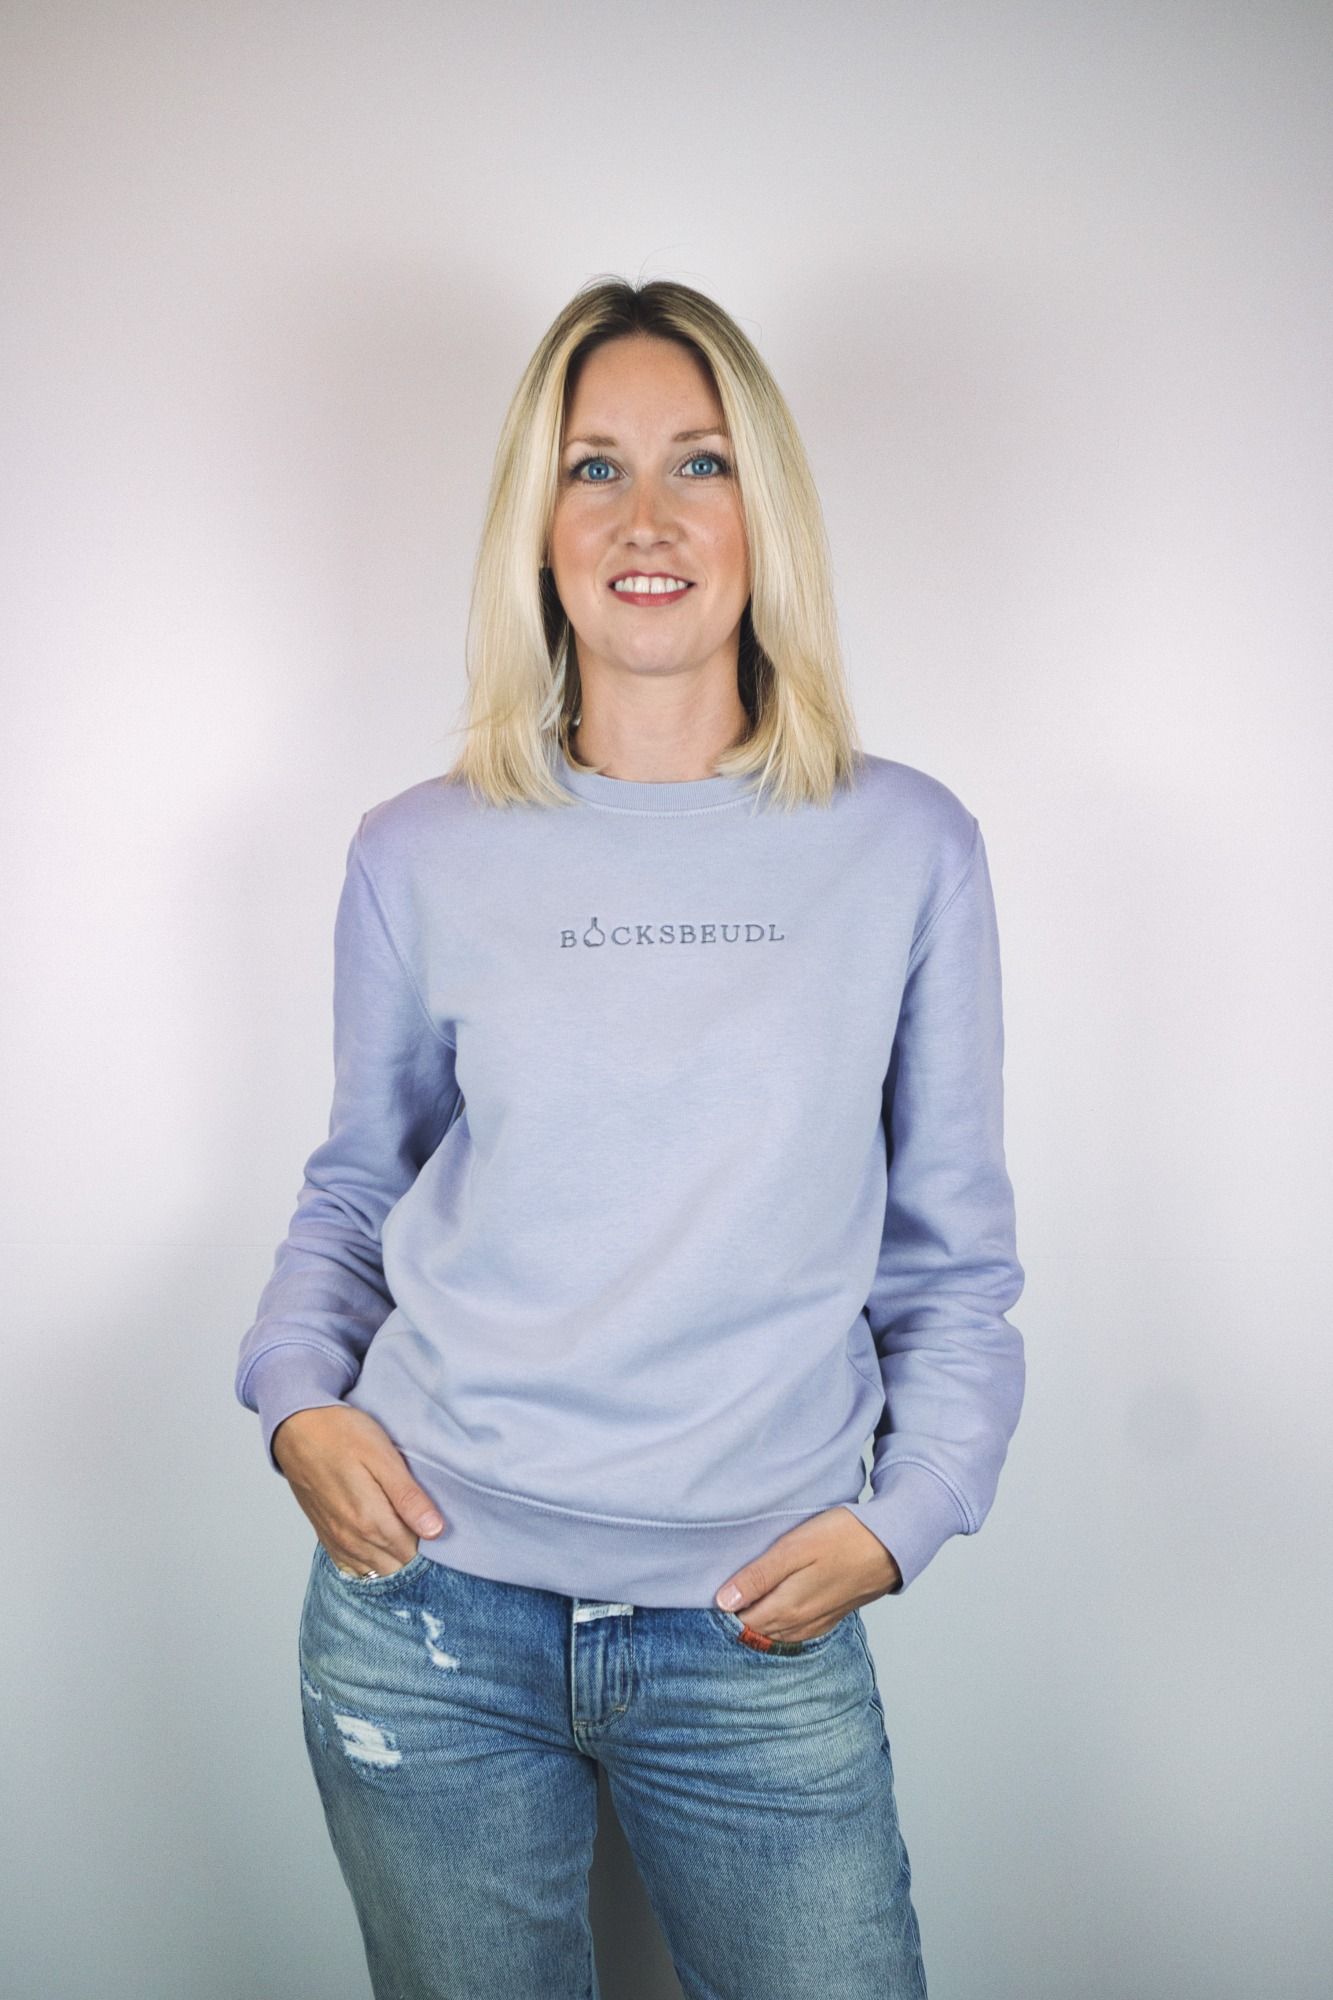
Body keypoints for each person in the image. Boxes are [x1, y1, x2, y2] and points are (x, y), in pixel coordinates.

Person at [234, 276, 1025, 2000]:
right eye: (593, 467)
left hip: (752, 1623)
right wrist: (296, 1400)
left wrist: (913, 1512)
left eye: (699, 462)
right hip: (426, 1615)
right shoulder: (417, 852)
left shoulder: (904, 846)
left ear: (764, 515)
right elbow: (358, 1190)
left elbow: (951, 1256)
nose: (645, 516)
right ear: (539, 524)